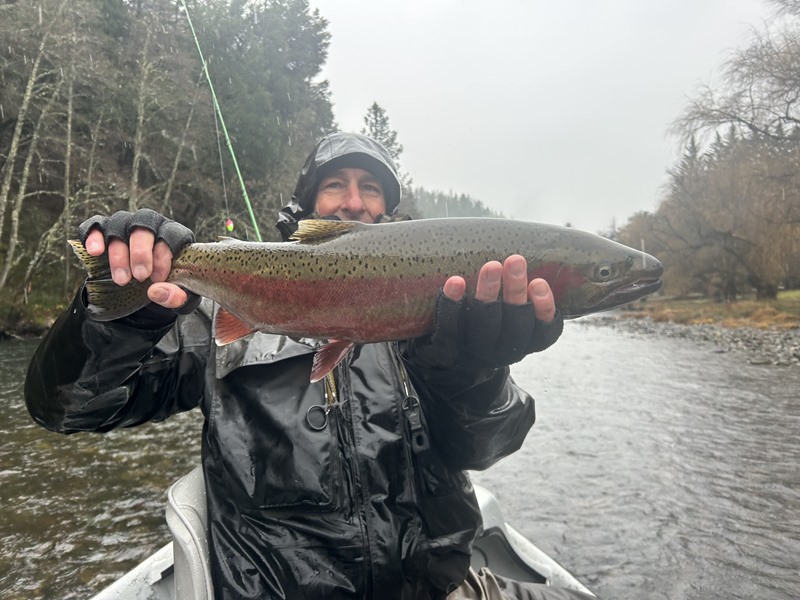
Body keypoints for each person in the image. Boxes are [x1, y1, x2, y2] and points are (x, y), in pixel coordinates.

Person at [25, 132, 595, 600]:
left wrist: (472, 370)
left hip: (435, 588)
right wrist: (117, 318)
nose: (354, 200)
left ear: (391, 213)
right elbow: (67, 407)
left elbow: (485, 448)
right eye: (335, 185)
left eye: (370, 187)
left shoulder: (443, 317)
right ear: (305, 208)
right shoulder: (215, 316)